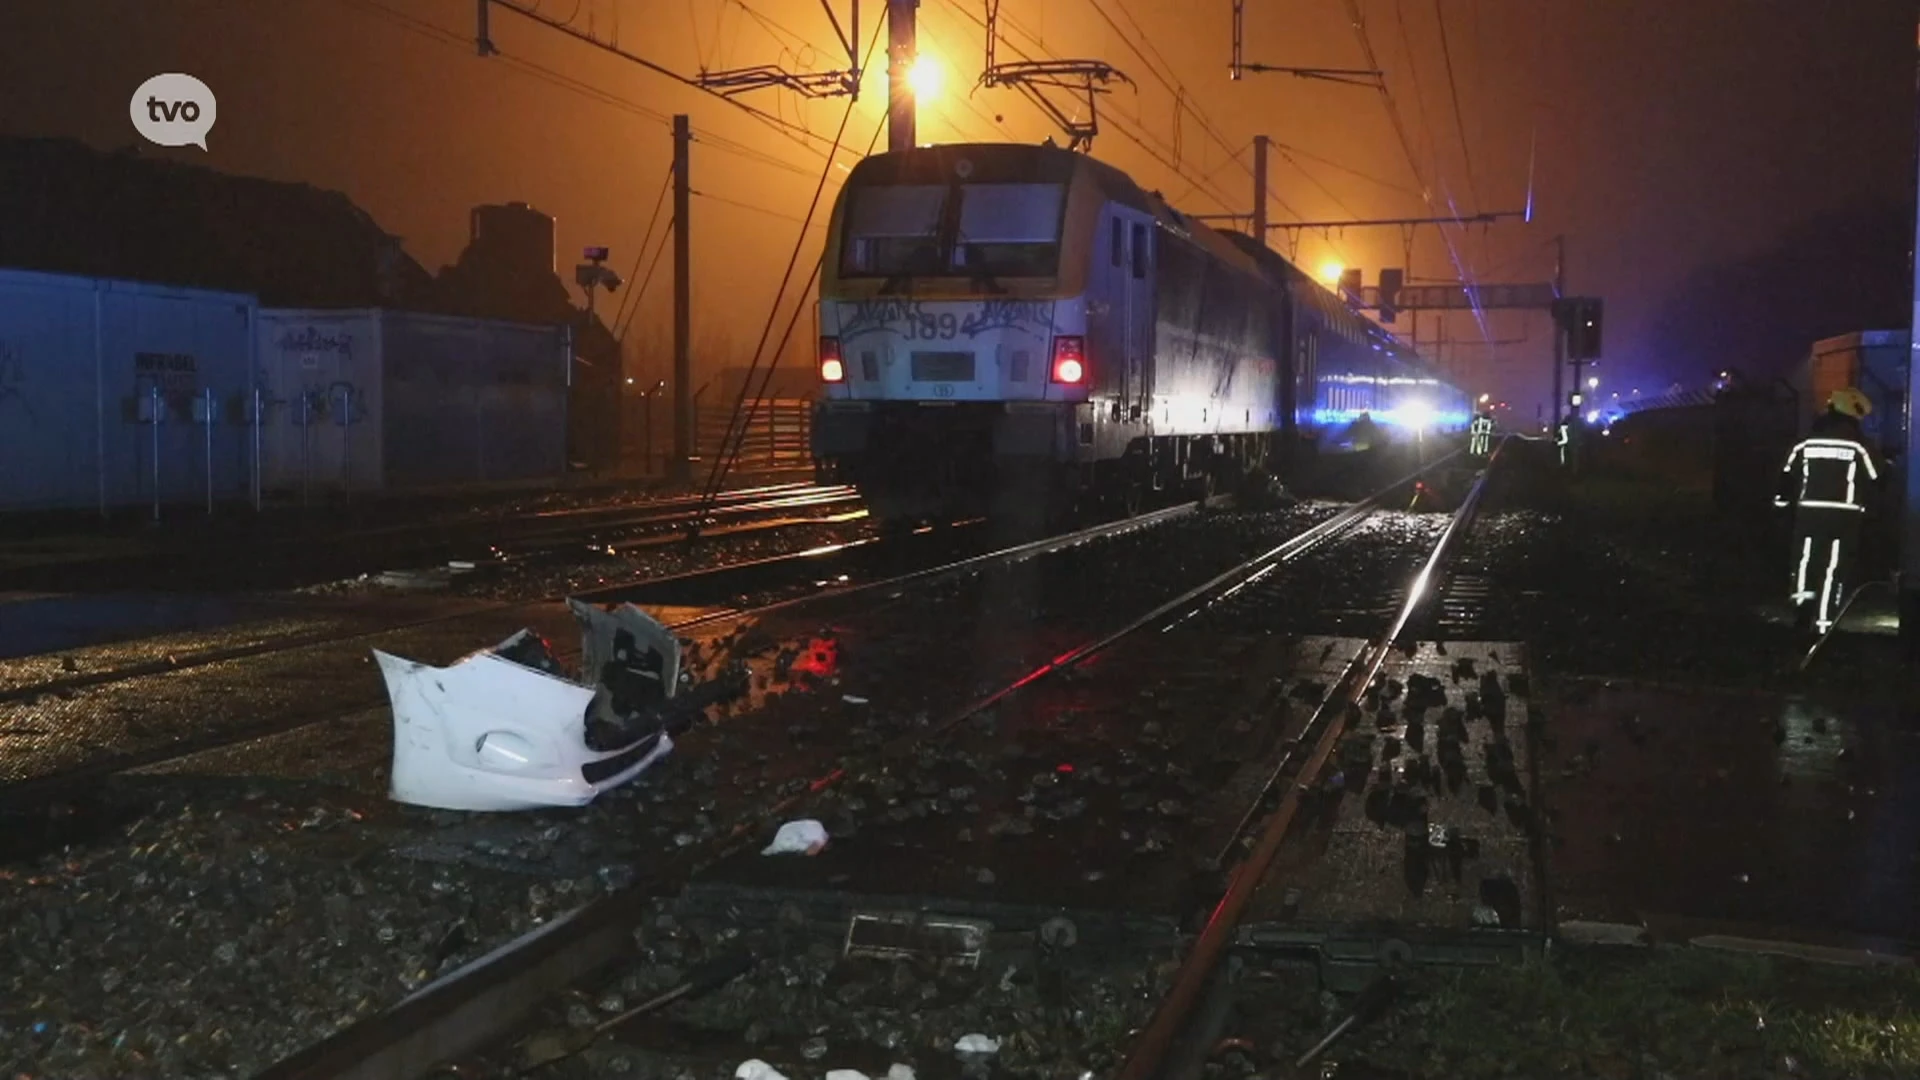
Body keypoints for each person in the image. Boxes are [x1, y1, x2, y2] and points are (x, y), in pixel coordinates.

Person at [1776, 388, 1881, 635]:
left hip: (1808, 514)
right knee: (1834, 567)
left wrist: (1782, 505)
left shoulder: (1805, 442)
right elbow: (1877, 479)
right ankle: (1824, 626)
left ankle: (1802, 613)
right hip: (1845, 517)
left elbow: (1786, 475)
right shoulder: (1860, 446)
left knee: (1805, 560)